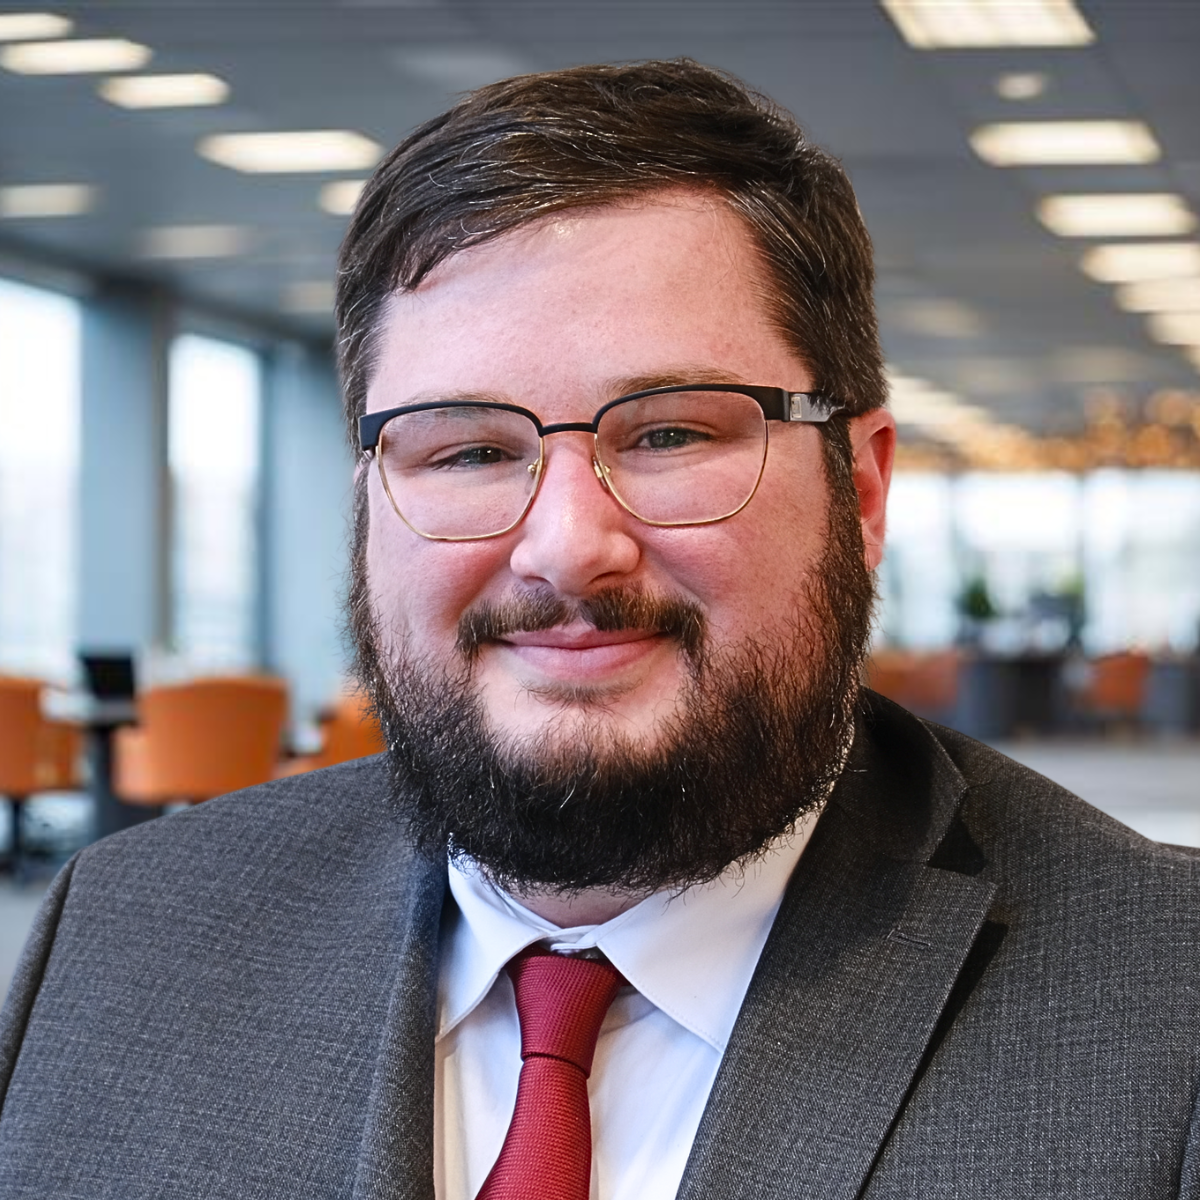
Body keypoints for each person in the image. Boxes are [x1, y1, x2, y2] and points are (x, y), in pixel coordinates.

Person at [1, 59, 1199, 1200]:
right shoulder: (126, 934)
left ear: (864, 489)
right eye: (468, 451)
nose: (569, 546)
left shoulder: (1164, 1000)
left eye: (671, 434)